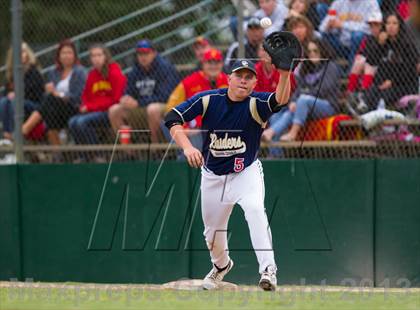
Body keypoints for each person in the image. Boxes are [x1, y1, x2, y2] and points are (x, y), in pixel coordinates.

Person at [164, 58, 293, 291]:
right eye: (239, 76)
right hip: (213, 175)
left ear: (254, 84)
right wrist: (187, 147)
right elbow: (171, 118)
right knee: (212, 234)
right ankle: (221, 266)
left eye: (249, 77)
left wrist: (284, 75)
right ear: (228, 79)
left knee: (255, 210)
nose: (243, 81)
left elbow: (281, 99)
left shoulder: (257, 103)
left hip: (245, 172)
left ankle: (268, 270)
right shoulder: (209, 99)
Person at [264, 39, 341, 142]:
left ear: (323, 51)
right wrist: (293, 102)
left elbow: (322, 90)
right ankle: (270, 134)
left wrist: (301, 97)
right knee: (289, 111)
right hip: (306, 106)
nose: (312, 54)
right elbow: (298, 90)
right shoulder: (307, 68)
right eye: (310, 51)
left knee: (303, 100)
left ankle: (293, 133)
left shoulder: (330, 66)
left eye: (315, 51)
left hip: (327, 106)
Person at [108, 39, 179, 143]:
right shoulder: (136, 70)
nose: (143, 56)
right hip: (140, 107)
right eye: (140, 53)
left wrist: (138, 103)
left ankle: (156, 149)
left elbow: (165, 96)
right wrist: (126, 99)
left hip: (164, 107)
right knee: (114, 110)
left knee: (152, 109)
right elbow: (128, 91)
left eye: (146, 53)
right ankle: (129, 151)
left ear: (154, 53)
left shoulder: (165, 68)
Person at [22, 39, 86, 145]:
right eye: (63, 53)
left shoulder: (80, 72)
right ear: (59, 56)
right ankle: (59, 155)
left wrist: (59, 95)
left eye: (69, 53)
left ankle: (24, 129)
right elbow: (48, 96)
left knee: (50, 101)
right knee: (49, 110)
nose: (66, 56)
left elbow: (78, 97)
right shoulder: (53, 72)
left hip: (72, 107)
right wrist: (49, 91)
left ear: (74, 55)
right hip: (55, 109)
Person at [68, 44, 126, 148]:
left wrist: (90, 107)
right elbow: (85, 96)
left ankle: (96, 153)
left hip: (108, 112)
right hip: (93, 111)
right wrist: (84, 106)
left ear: (106, 56)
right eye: (93, 56)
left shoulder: (115, 73)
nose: (96, 59)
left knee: (81, 122)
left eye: (99, 55)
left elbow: (116, 100)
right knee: (72, 122)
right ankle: (84, 154)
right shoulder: (92, 74)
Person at [362, 12, 419, 111]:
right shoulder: (383, 42)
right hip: (385, 82)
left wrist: (392, 82)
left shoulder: (407, 44)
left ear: (400, 26)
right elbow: (371, 62)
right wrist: (379, 44)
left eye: (394, 23)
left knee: (384, 95)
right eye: (388, 23)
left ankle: (384, 120)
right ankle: (368, 115)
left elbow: (410, 70)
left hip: (404, 84)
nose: (391, 26)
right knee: (371, 92)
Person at [0, 42, 44, 141]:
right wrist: (8, 95)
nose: (22, 54)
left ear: (27, 54)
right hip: (15, 103)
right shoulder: (12, 73)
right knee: (3, 102)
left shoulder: (33, 71)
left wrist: (18, 95)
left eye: (23, 51)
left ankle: (13, 136)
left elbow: (36, 94)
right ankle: (6, 134)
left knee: (15, 101)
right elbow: (6, 92)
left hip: (33, 105)